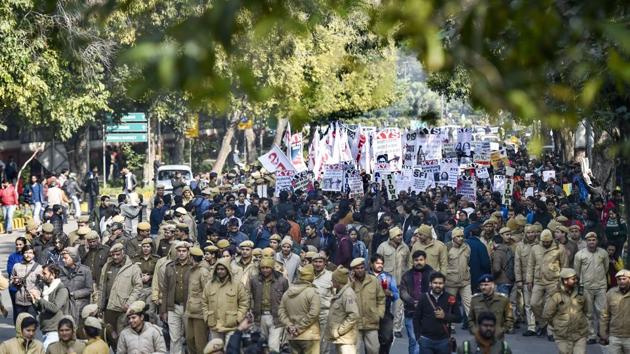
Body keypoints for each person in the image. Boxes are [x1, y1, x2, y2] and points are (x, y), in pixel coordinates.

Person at [99, 243, 143, 340]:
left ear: (123, 253)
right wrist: (100, 306)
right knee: (109, 336)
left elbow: (138, 287)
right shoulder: (107, 266)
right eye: (113, 255)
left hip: (123, 308)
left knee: (123, 336)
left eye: (118, 254)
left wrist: (129, 303)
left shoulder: (133, 268)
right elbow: (102, 287)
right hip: (108, 308)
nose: (115, 257)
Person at [527, 228, 566, 339]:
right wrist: (529, 280)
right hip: (538, 281)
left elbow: (564, 266)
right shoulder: (535, 248)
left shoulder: (559, 249)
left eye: (547, 242)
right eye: (544, 242)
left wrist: (562, 282)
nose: (545, 244)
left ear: (551, 240)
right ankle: (543, 323)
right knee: (533, 303)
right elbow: (530, 265)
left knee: (550, 307)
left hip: (553, 281)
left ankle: (551, 331)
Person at [202, 258, 249, 343]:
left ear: (227, 270)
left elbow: (244, 303)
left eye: (222, 269)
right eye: (218, 269)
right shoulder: (209, 284)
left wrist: (238, 318)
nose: (220, 271)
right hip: (214, 325)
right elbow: (204, 302)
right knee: (216, 351)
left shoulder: (237, 284)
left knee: (230, 350)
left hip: (231, 325)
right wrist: (207, 317)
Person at [543, 268, 589, 354]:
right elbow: (547, 314)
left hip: (580, 333)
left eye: (576, 278)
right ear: (565, 281)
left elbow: (587, 311)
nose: (576, 281)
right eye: (573, 279)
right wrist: (557, 324)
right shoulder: (556, 295)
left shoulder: (582, 293)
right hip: (562, 335)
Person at [573, 231, 609, 344]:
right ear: (586, 241)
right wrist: (583, 281)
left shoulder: (603, 253)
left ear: (597, 241)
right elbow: (577, 272)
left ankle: (603, 335)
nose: (591, 242)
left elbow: (606, 267)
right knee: (588, 313)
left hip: (601, 286)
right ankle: (591, 335)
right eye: (589, 240)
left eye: (594, 240)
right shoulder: (580, 254)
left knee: (602, 313)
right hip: (586, 287)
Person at [413, 272, 461, 354]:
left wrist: (445, 316)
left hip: (444, 341)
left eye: (440, 283)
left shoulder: (450, 297)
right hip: (426, 340)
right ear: (430, 284)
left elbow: (459, 318)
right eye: (435, 283)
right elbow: (416, 318)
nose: (438, 285)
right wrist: (418, 337)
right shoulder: (423, 298)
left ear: (444, 284)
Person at [278, 264, 321, 354]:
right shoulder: (313, 292)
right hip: (310, 335)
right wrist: (298, 328)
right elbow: (314, 313)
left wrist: (290, 326)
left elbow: (281, 311)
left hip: (292, 336)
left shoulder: (287, 292)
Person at [250, 256, 288, 353]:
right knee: (261, 345)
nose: (265, 270)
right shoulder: (254, 280)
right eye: (263, 268)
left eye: (268, 268)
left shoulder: (282, 280)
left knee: (273, 346)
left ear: (272, 268)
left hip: (276, 316)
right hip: (260, 316)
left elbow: (286, 299)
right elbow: (251, 296)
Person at [376, 226, 409, 338]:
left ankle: (397, 328)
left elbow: (408, 263)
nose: (400, 237)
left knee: (398, 308)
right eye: (398, 235)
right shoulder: (383, 247)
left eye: (401, 235)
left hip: (400, 283)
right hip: (385, 282)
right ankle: (380, 326)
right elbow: (377, 264)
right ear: (392, 236)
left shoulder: (405, 248)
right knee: (383, 306)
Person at [161, 241, 193, 354]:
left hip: (189, 307)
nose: (181, 253)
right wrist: (163, 310)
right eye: (179, 251)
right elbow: (165, 290)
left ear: (188, 252)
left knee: (190, 338)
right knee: (174, 338)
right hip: (173, 307)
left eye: (184, 251)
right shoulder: (170, 267)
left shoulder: (194, 267)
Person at [400, 250, 434, 354]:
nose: (418, 262)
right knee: (414, 340)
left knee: (427, 341)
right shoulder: (407, 275)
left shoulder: (433, 274)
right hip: (411, 312)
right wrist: (413, 302)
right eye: (416, 260)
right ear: (412, 261)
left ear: (425, 260)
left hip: (428, 314)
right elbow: (403, 292)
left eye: (421, 260)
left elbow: (437, 291)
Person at [30, 264, 70, 350]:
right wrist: (33, 300)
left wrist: (39, 298)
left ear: (53, 274)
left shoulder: (62, 289)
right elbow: (41, 308)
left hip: (55, 329)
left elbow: (54, 308)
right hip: (45, 328)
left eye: (44, 273)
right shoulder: (45, 288)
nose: (42, 275)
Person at [350, 257, 385, 354]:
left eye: (361, 267)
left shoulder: (373, 280)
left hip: (371, 322)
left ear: (365, 268)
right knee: (354, 350)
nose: (360, 270)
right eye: (357, 268)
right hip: (355, 323)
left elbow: (381, 298)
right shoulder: (349, 283)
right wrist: (351, 284)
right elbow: (345, 298)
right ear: (353, 270)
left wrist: (379, 313)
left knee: (374, 350)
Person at [326, 266, 360, 354]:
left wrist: (340, 331)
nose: (332, 282)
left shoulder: (347, 294)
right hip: (341, 339)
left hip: (346, 340)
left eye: (333, 280)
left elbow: (353, 315)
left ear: (338, 281)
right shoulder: (340, 292)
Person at [370, 254, 400, 354]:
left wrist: (390, 293)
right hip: (369, 311)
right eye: (377, 263)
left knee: (387, 338)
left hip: (385, 311)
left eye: (382, 263)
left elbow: (396, 296)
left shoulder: (388, 277)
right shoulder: (366, 276)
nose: (380, 265)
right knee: (370, 342)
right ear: (371, 264)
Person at [468, 274, 513, 339]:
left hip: (497, 338)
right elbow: (470, 319)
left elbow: (509, 319)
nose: (483, 287)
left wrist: (501, 331)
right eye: (481, 285)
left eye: (486, 285)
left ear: (493, 285)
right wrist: (475, 331)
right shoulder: (475, 300)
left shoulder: (503, 300)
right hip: (479, 338)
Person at [185, 247, 211, 354]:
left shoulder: (203, 272)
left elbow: (208, 294)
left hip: (200, 313)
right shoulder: (191, 270)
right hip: (190, 311)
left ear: (192, 257)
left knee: (200, 344)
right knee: (189, 340)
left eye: (189, 256)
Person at [514, 223, 539, 336]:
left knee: (539, 303)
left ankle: (542, 324)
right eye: (528, 232)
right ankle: (531, 327)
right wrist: (519, 280)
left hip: (539, 280)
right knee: (528, 304)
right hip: (525, 279)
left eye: (532, 232)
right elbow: (517, 264)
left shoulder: (540, 245)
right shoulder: (520, 246)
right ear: (524, 233)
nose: (530, 234)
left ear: (536, 233)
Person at [445, 228, 472, 322]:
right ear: (453, 237)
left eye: (462, 236)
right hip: (451, 281)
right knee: (450, 304)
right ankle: (450, 325)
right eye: (458, 236)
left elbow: (468, 261)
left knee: (469, 303)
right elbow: (444, 263)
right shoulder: (447, 248)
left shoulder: (467, 247)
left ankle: (473, 324)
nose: (461, 238)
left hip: (465, 280)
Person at [59, 247, 93, 321]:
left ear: (73, 258)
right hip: (65, 307)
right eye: (63, 258)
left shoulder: (85, 270)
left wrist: (74, 294)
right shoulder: (60, 271)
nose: (63, 260)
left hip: (80, 307)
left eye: (65, 258)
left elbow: (89, 289)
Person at [600, 269, 630, 352]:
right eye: (619, 279)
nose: (621, 281)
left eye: (624, 279)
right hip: (615, 336)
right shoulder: (611, 293)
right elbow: (604, 314)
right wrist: (603, 333)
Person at [311, 252, 334, 353]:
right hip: (310, 314)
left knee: (324, 342)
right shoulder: (308, 275)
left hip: (324, 313)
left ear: (325, 263)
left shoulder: (330, 276)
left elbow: (336, 295)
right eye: (315, 261)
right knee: (311, 342)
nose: (318, 264)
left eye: (320, 262)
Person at [11, 245, 42, 320]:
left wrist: (37, 293)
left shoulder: (39, 267)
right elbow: (11, 281)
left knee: (31, 324)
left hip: (32, 301)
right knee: (20, 324)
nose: (28, 255)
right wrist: (15, 282)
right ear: (22, 253)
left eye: (30, 253)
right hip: (19, 301)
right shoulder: (16, 266)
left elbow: (42, 284)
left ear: (34, 254)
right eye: (26, 252)